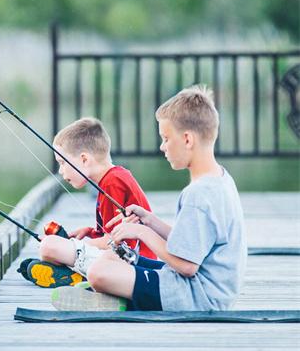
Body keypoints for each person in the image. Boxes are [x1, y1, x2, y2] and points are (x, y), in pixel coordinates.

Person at [49, 85, 247, 311]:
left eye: (165, 138)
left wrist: (143, 232)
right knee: (112, 260)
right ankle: (117, 293)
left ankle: (118, 301)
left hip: (196, 297)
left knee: (98, 271)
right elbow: (192, 245)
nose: (162, 147)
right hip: (208, 291)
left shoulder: (197, 195)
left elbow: (187, 265)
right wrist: (150, 221)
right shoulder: (220, 180)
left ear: (187, 140)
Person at [19, 117, 154, 288]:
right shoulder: (111, 179)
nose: (61, 171)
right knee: (50, 249)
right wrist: (90, 232)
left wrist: (74, 245)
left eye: (62, 163)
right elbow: (112, 233)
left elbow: (114, 242)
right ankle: (73, 275)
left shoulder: (113, 182)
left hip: (136, 265)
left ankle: (84, 279)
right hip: (125, 261)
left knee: (48, 248)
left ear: (84, 159)